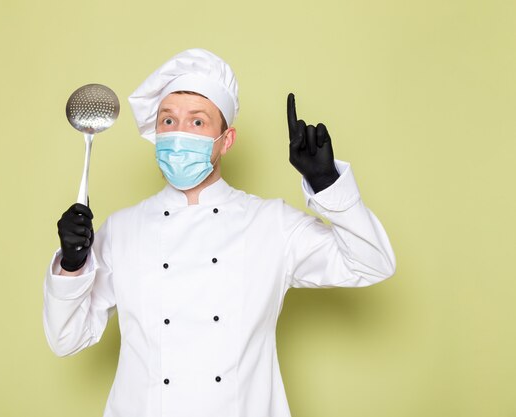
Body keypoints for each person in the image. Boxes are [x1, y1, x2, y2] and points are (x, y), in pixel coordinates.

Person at [43, 48, 396, 417]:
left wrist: (326, 184)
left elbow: (372, 264)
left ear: (226, 140)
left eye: (198, 122)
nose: (179, 133)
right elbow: (66, 339)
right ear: (155, 133)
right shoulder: (122, 229)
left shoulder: (269, 224)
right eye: (168, 121)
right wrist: (71, 265)